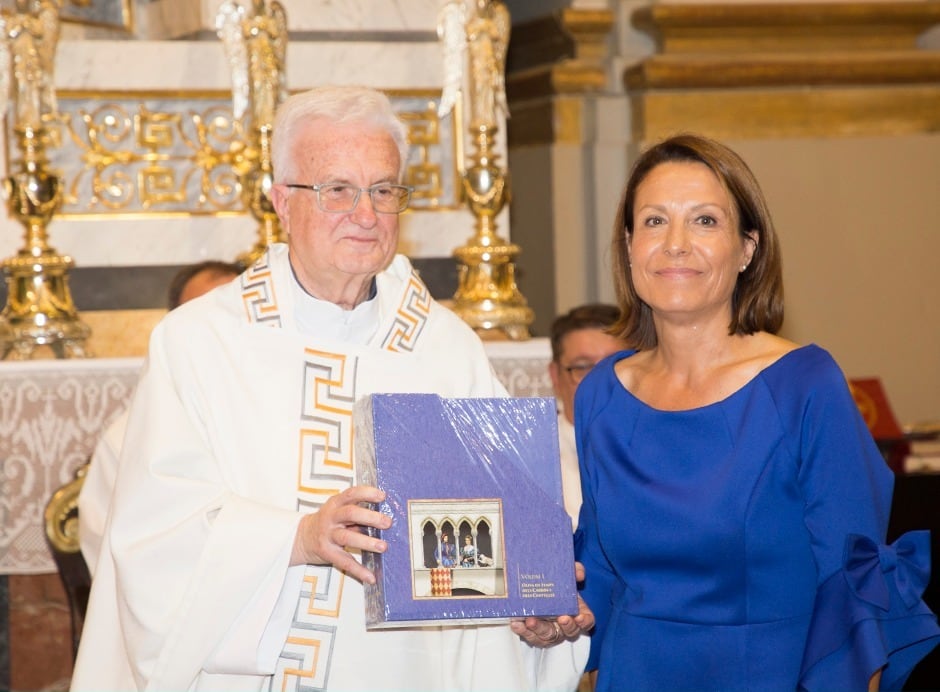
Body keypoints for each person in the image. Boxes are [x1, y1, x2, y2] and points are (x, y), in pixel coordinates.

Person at [72, 85, 591, 691]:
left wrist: (535, 608)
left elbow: (504, 526)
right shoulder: (199, 342)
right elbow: (151, 538)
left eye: (383, 190)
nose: (365, 214)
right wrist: (298, 537)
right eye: (337, 190)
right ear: (281, 202)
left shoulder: (445, 347)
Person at [574, 133, 940, 691]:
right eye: (653, 221)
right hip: (634, 674)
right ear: (628, 246)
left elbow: (849, 587)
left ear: (747, 248)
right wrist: (556, 616)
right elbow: (598, 569)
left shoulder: (803, 384)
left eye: (704, 221)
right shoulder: (601, 393)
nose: (675, 244)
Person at [79, 259, 242, 577]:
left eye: (233, 319)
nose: (221, 334)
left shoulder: (282, 414)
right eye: (204, 320)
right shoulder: (127, 437)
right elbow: (109, 545)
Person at [547, 304, 626, 530]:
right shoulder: (531, 457)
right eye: (583, 367)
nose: (599, 381)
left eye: (616, 364)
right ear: (555, 376)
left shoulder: (658, 447)